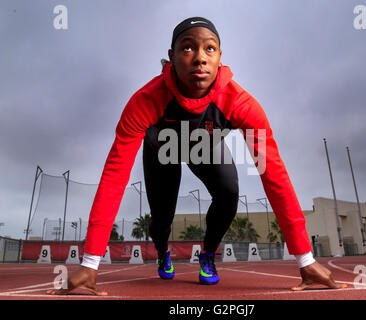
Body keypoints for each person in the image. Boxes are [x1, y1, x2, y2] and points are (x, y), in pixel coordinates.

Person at [47, 17, 346, 295]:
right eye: (187, 47)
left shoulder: (242, 105)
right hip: (163, 146)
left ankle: (207, 255)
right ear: (172, 56)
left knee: (229, 193)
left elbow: (274, 175)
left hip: (206, 145)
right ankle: (163, 251)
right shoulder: (145, 101)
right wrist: (89, 263)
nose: (200, 57)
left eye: (209, 49)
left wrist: (305, 259)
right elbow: (114, 177)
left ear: (219, 58)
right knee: (162, 216)